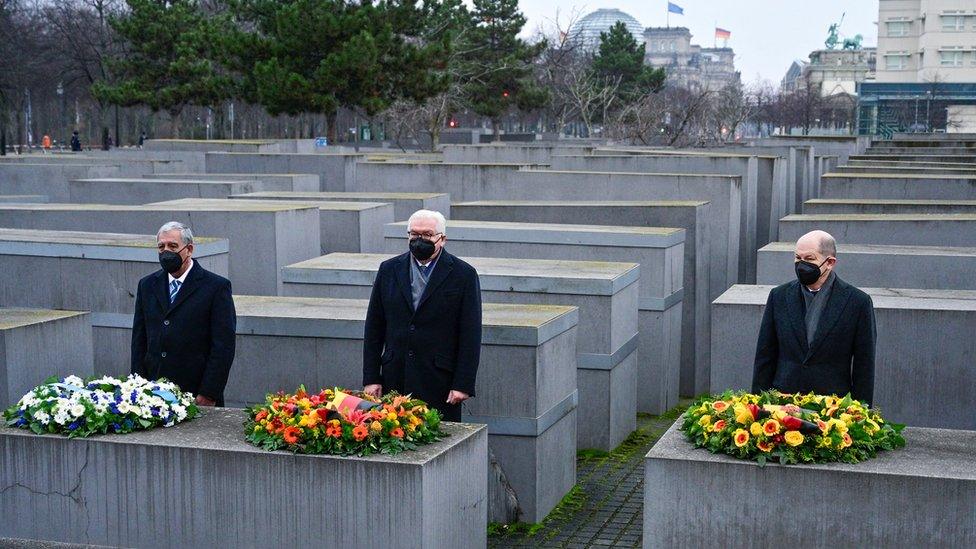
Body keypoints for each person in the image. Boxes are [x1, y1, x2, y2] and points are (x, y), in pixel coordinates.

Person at [363, 210, 482, 421]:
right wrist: (372, 378)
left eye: (427, 235)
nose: (420, 240)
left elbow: (470, 333)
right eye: (414, 234)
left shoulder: (464, 274)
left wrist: (462, 384)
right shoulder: (389, 269)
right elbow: (374, 327)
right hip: (395, 377)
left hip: (440, 381)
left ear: (442, 239)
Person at [752, 230, 876, 404]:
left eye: (809, 259)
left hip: (833, 408)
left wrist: (861, 414)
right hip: (782, 405)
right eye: (797, 258)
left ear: (830, 262)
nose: (801, 264)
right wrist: (758, 405)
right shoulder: (778, 296)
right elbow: (765, 356)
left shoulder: (857, 302)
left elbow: (864, 366)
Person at [131, 221, 236, 406]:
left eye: (173, 246)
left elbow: (223, 346)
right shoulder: (147, 285)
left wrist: (208, 393)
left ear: (189, 249)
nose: (166, 252)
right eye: (161, 247)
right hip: (153, 394)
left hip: (196, 394)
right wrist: (137, 387)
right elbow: (139, 341)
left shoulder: (216, 287)